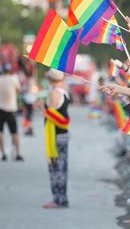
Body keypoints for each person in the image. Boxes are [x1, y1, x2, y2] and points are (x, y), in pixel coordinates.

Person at [43, 69, 71, 209]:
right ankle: (62, 198)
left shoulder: (54, 93)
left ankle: (57, 198)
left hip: (56, 134)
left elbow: (51, 114)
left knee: (55, 167)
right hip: (64, 134)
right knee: (62, 167)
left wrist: (45, 111)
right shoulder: (64, 91)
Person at [0, 63, 23, 161]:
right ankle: (17, 153)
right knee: (14, 133)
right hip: (11, 109)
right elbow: (19, 90)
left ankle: (3, 154)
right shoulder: (14, 79)